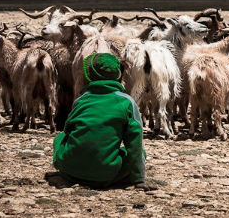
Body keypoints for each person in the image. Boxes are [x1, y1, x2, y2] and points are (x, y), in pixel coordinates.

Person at [51, 52, 156, 190]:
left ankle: (73, 167)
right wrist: (139, 179)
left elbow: (68, 130)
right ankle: (107, 175)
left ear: (89, 75)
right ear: (118, 74)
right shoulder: (126, 102)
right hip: (107, 173)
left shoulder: (81, 100)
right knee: (140, 153)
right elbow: (135, 142)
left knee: (60, 138)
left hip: (70, 172)